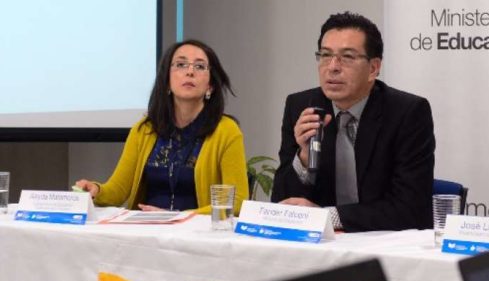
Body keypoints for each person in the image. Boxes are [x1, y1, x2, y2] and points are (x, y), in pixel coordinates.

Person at [271, 12, 435, 232]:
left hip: (385, 243)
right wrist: (303, 159)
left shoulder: (407, 113)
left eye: (347, 57)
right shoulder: (302, 106)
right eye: (325, 55)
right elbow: (282, 204)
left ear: (373, 68)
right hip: (320, 244)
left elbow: (410, 209)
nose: (333, 67)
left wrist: (329, 217)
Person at [76, 39, 249, 214]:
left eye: (199, 66)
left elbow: (237, 202)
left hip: (197, 229)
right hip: (147, 226)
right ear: (167, 81)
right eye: (181, 64)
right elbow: (118, 190)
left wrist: (178, 217)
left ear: (210, 85)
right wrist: (97, 190)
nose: (190, 71)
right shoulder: (144, 130)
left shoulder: (226, 131)